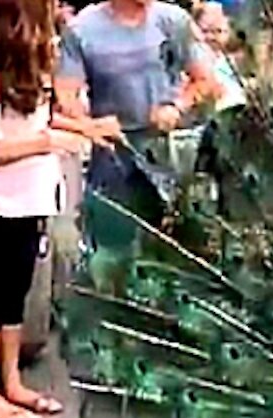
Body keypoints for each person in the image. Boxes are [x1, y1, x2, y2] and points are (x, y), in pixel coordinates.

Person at [0, 0, 110, 418]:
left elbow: (38, 117)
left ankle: (12, 382)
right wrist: (46, 144)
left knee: (13, 294)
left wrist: (88, 128)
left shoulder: (27, 68)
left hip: (28, 200)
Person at [55, 0, 217, 254]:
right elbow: (65, 95)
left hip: (169, 154)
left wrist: (177, 106)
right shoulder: (82, 29)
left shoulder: (173, 21)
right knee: (113, 250)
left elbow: (205, 80)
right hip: (114, 155)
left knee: (174, 252)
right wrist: (90, 125)